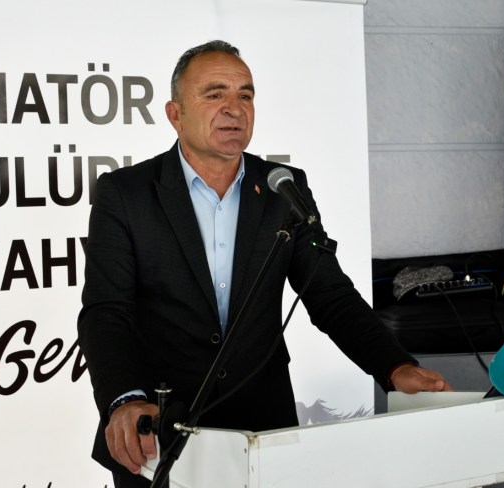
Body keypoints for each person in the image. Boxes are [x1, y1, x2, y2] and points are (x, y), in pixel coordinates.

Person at [77, 40, 452, 488]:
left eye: (245, 95)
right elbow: (106, 312)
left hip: (262, 428)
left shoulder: (283, 189)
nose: (234, 109)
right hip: (157, 432)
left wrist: (392, 366)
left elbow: (330, 295)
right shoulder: (125, 193)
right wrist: (125, 400)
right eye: (214, 94)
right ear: (175, 114)